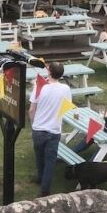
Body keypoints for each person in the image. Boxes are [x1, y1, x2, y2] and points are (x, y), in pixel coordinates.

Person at [29, 61, 72, 197]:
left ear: (49, 72)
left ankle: (40, 178)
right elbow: (67, 107)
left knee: (39, 156)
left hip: (39, 129)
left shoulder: (39, 87)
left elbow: (31, 110)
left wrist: (33, 125)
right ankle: (45, 189)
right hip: (54, 129)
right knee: (50, 160)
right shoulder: (65, 89)